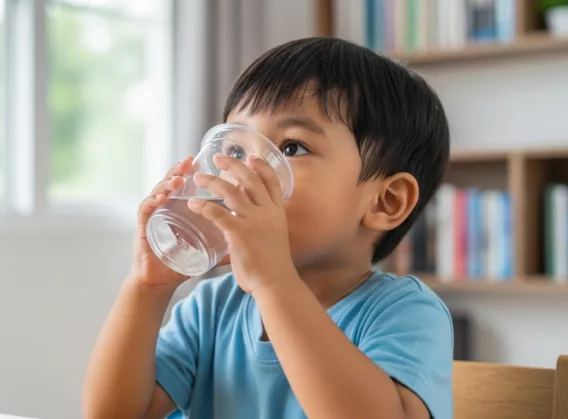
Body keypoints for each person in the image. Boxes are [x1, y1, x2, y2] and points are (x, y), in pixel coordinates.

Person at [83, 37, 453, 419]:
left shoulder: (404, 314)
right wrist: (147, 287)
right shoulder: (213, 308)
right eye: (238, 150)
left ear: (385, 201)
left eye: (291, 148)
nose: (247, 172)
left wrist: (275, 282)